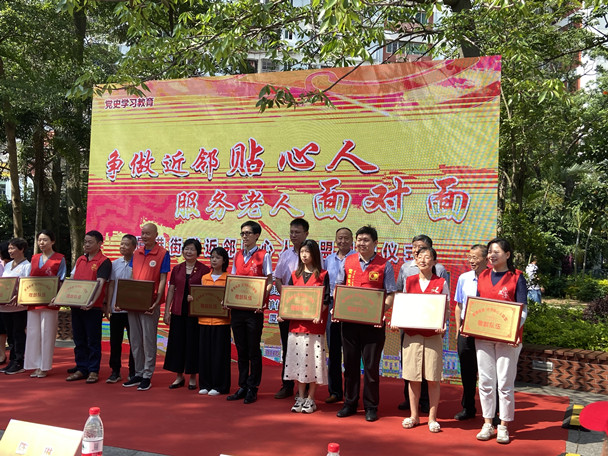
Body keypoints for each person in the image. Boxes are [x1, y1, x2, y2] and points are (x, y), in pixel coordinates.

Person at [335, 225, 397, 422]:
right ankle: (350, 403)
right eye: (359, 240)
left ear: (375, 243)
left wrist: (380, 313)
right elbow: (339, 288)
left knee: (370, 367)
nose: (361, 243)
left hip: (373, 325)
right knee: (350, 365)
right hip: (350, 322)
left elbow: (391, 294)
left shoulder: (385, 265)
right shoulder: (348, 261)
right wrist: (337, 308)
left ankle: (371, 406)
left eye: (366, 240)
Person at [475, 238, 527, 445]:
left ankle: (504, 425)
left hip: (508, 339)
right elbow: (477, 304)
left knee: (504, 383)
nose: (491, 255)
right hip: (484, 337)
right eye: (489, 252)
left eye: (496, 252)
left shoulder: (517, 277)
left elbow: (522, 309)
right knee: (485, 381)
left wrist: (513, 333)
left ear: (507, 254)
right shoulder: (483, 275)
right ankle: (488, 423)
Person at [396, 234, 449, 412]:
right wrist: (397, 320)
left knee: (432, 374)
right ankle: (413, 412)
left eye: (427, 256)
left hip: (432, 333)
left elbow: (445, 306)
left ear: (434, 261)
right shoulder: (408, 277)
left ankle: (430, 412)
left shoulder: (440, 280)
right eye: (419, 255)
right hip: (412, 332)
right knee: (412, 374)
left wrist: (443, 323)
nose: (422, 259)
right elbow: (402, 301)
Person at [226, 220, 272, 405]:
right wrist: (228, 300)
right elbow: (233, 280)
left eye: (248, 233)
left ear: (256, 235)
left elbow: (269, 281)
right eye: (242, 233)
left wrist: (261, 302)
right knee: (241, 349)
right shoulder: (237, 255)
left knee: (253, 350)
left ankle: (253, 387)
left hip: (254, 310)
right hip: (238, 309)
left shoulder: (264, 255)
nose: (244, 236)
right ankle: (243, 386)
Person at [122, 223, 170, 391]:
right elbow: (131, 275)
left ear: (156, 235)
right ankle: (138, 373)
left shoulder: (162, 253)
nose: (144, 236)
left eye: (148, 233)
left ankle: (147, 375)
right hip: (134, 303)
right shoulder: (137, 252)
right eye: (143, 233)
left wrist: (157, 300)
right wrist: (125, 298)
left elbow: (163, 278)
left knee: (148, 340)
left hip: (150, 303)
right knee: (135, 339)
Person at [284, 239, 330, 414]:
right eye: (302, 252)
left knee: (312, 363)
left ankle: (311, 398)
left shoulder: (323, 275)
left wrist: (318, 313)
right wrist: (283, 313)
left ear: (315, 254)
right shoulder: (294, 274)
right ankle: (301, 397)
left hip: (314, 327)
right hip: (296, 326)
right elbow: (288, 297)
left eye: (307, 252)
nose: (304, 255)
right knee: (298, 363)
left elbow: (326, 300)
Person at [66, 230, 112, 384]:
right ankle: (81, 368)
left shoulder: (104, 261)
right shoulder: (80, 259)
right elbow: (72, 280)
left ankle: (93, 370)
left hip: (93, 307)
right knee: (79, 338)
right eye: (85, 242)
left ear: (99, 244)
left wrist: (92, 301)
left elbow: (100, 283)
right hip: (76, 304)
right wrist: (62, 297)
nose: (86, 245)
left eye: (90, 242)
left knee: (93, 340)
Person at [164, 239, 209, 390]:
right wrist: (167, 311)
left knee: (193, 344)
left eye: (192, 249)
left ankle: (193, 377)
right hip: (178, 311)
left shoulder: (204, 270)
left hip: (194, 313)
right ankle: (179, 376)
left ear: (198, 252)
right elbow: (171, 289)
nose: (189, 252)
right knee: (177, 344)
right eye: (186, 249)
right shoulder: (177, 268)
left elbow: (206, 293)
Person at [273, 217, 310, 400]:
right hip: (288, 308)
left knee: (305, 347)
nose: (293, 235)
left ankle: (305, 387)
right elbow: (278, 279)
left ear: (306, 234)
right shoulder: (285, 255)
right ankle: (286, 385)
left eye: (297, 232)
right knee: (287, 347)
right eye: (291, 232)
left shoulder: (314, 256)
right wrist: (287, 297)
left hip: (307, 309)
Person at [24, 230, 67, 377]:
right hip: (33, 300)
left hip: (50, 302)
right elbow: (28, 280)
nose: (41, 243)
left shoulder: (59, 259)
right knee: (33, 333)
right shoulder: (34, 258)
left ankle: (44, 366)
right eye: (39, 240)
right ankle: (34, 364)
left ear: (52, 241)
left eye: (45, 240)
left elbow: (61, 280)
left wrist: (58, 298)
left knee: (47, 333)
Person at [453, 244, 488, 420]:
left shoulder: (492, 279)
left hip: (486, 331)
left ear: (486, 259)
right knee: (467, 371)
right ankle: (468, 407)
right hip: (466, 330)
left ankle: (493, 412)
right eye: (470, 257)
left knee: (488, 373)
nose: (471, 261)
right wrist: (458, 328)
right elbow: (459, 305)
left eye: (475, 257)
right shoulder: (464, 278)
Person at [322, 227, 355, 403]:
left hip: (351, 305)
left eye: (346, 238)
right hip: (332, 304)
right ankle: (335, 391)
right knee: (333, 350)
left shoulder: (356, 258)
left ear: (352, 240)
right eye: (339, 238)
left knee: (350, 351)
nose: (342, 241)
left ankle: (351, 393)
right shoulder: (328, 260)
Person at [197, 247, 231, 396]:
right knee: (204, 354)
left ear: (224, 260)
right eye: (212, 257)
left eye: (217, 257)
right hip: (204, 320)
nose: (214, 260)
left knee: (219, 355)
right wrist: (193, 299)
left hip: (221, 321)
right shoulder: (205, 278)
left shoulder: (229, 278)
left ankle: (219, 386)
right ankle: (205, 384)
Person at [104, 234, 137, 383]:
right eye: (121, 244)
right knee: (115, 341)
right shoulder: (115, 263)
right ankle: (115, 371)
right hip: (116, 309)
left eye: (126, 244)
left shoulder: (138, 263)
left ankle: (133, 371)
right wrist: (109, 305)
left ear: (134, 247)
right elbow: (111, 285)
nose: (123, 247)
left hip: (132, 309)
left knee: (134, 342)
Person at [0, 238, 31, 375]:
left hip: (19, 307)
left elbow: (27, 286)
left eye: (13, 248)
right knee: (10, 335)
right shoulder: (7, 265)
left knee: (18, 333)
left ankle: (19, 361)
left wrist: (18, 297)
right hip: (5, 306)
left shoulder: (27, 266)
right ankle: (12, 361)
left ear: (22, 249)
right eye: (9, 248)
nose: (10, 251)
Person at [0, 241, 12, 366]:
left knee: (12, 330)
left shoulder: (14, 265)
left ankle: (17, 356)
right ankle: (1, 355)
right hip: (2, 302)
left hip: (12, 303)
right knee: (1, 330)